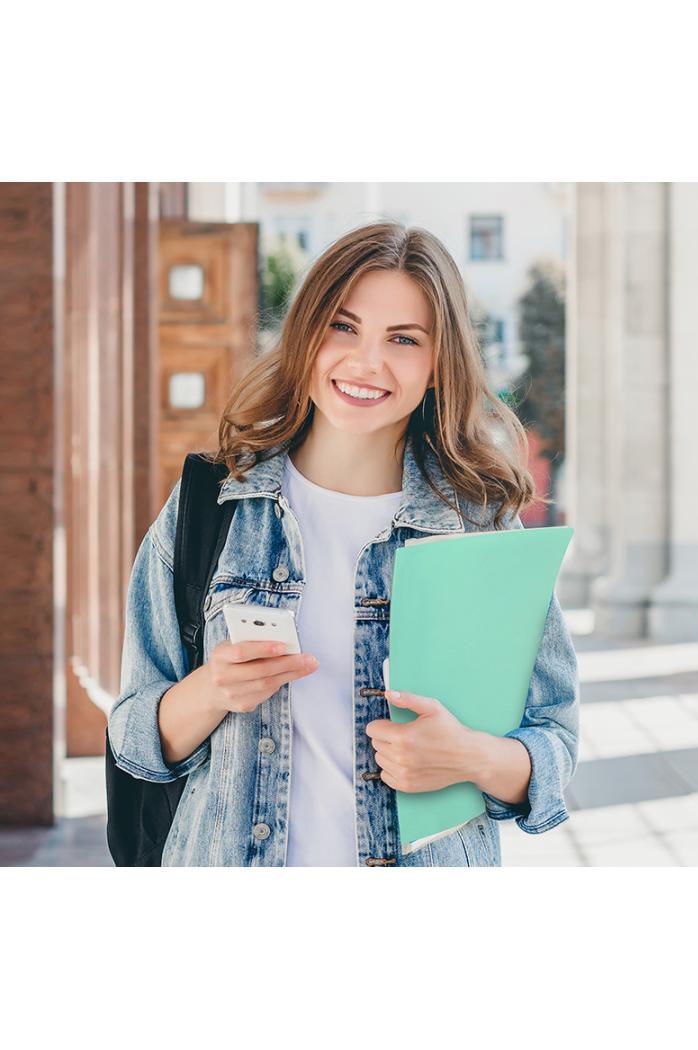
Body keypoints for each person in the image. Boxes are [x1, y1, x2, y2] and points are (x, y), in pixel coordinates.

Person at [107, 220, 580, 867]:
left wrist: (473, 757)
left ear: (439, 363)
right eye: (343, 326)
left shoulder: (479, 524)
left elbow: (554, 739)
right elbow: (132, 732)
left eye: (404, 339)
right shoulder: (211, 505)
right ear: (306, 334)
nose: (367, 362)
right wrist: (211, 690)